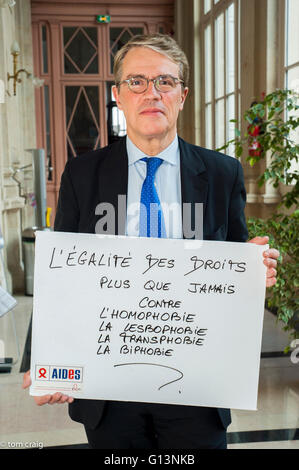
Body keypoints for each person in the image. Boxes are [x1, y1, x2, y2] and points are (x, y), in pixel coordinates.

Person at [23, 34, 279, 449]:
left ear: (182, 96)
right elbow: (60, 273)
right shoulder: (83, 174)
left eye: (165, 82)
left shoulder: (221, 174)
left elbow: (234, 260)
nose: (151, 93)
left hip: (197, 378)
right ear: (118, 96)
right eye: (137, 82)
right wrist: (43, 359)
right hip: (109, 380)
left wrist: (254, 275)